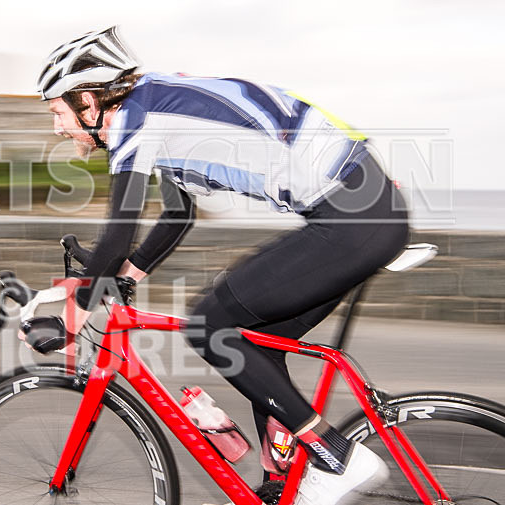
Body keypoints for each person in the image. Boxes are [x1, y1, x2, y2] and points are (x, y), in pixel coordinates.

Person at [28, 26, 409, 505]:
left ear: (87, 100)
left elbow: (119, 230)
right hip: (365, 210)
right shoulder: (158, 107)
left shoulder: (136, 119)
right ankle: (280, 483)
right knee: (253, 341)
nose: (58, 128)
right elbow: (177, 213)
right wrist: (126, 276)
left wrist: (74, 312)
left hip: (355, 218)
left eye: (58, 112)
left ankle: (336, 458)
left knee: (211, 324)